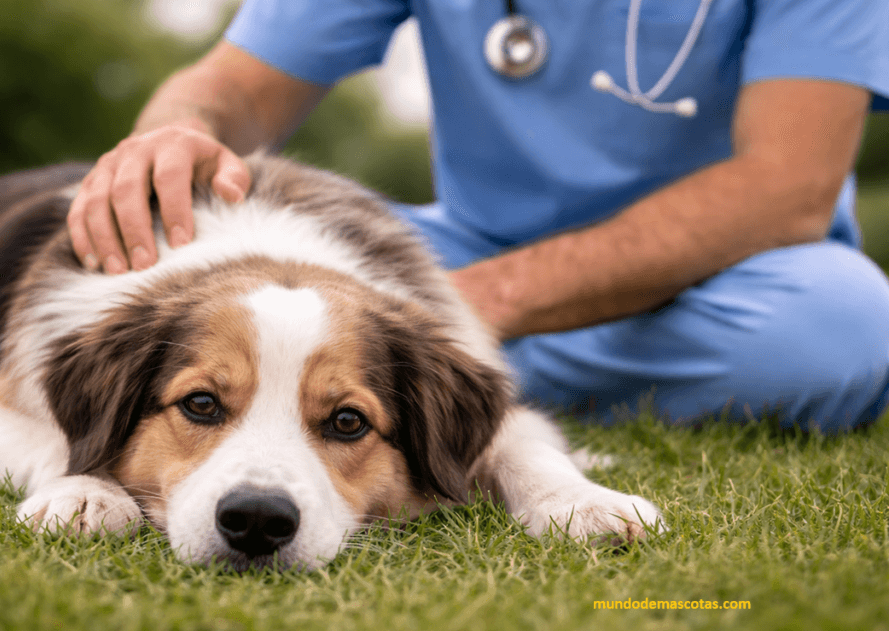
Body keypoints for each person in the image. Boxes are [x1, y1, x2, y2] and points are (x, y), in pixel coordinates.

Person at [66, 0, 889, 430]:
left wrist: (458, 312)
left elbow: (787, 187)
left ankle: (421, 379)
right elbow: (233, 89)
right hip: (460, 253)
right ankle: (407, 378)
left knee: (844, 328)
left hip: (726, 279)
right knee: (236, 245)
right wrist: (178, 130)